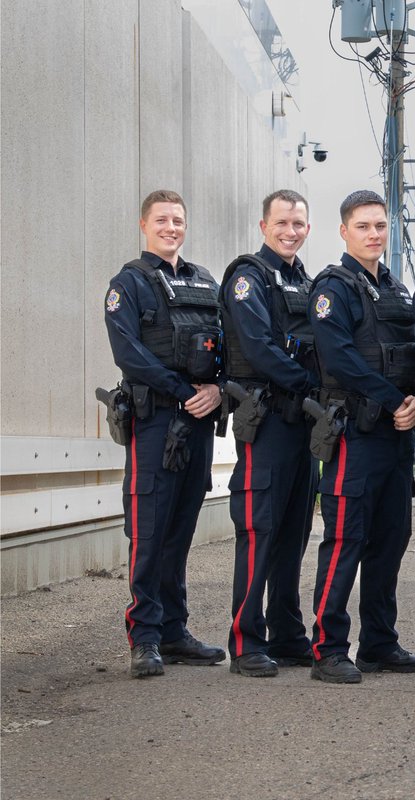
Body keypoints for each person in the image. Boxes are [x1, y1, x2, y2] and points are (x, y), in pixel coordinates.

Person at [103, 189, 226, 678]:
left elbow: (227, 346)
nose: (171, 227)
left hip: (197, 422)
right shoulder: (127, 284)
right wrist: (181, 390)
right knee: (150, 532)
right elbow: (128, 352)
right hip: (155, 422)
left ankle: (174, 631)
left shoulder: (205, 281)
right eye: (162, 219)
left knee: (180, 532)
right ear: (143, 225)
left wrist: (217, 389)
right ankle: (145, 637)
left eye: (178, 219)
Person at [307, 190, 415, 684]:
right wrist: (394, 399)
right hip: (354, 435)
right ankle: (329, 648)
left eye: (380, 226)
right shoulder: (332, 287)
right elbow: (339, 359)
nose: (374, 234)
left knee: (389, 541)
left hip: (396, 438)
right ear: (344, 231)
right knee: (344, 541)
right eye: (363, 226)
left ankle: (379, 643)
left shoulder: (397, 290)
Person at [220, 189, 320, 677]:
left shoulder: (306, 280)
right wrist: (311, 386)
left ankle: (286, 633)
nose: (290, 231)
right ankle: (246, 641)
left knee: (294, 532)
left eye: (299, 223)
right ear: (264, 226)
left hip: (305, 423)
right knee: (259, 531)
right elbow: (259, 348)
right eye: (282, 222)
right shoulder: (249, 278)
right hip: (269, 421)